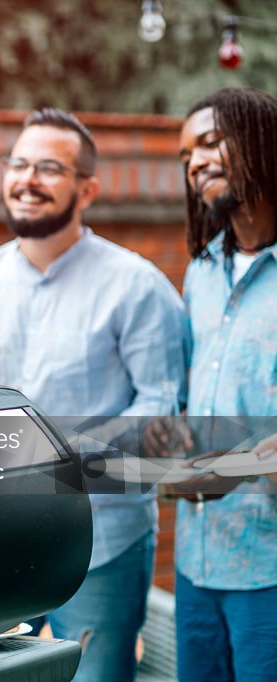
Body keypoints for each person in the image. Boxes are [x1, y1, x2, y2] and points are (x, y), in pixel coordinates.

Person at [0, 108, 186, 682]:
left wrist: (45, 451)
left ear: (87, 188)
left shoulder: (137, 287)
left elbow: (160, 416)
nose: (28, 179)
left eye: (49, 167)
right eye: (18, 163)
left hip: (104, 543)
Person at [172, 86, 277, 682]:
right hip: (197, 563)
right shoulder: (200, 273)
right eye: (187, 154)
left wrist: (226, 470)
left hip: (270, 571)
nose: (196, 162)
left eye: (212, 142)